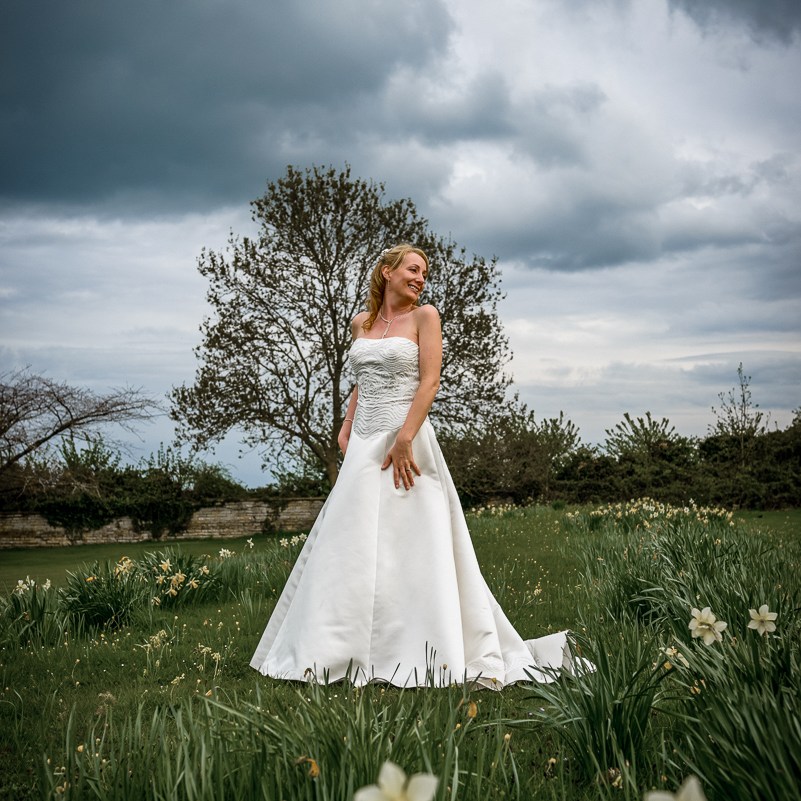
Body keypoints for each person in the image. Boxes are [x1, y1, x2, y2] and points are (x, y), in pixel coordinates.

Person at [250, 244, 580, 688]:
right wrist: (346, 428)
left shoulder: (426, 316)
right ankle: (333, 651)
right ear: (387, 272)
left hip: (407, 441)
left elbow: (430, 381)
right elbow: (361, 382)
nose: (420, 277)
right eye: (412, 269)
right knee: (349, 545)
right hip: (364, 442)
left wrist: (405, 437)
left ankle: (423, 649)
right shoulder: (359, 324)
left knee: (412, 545)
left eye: (424, 272)